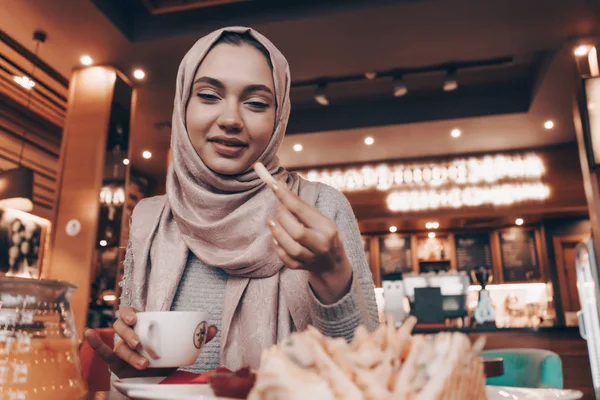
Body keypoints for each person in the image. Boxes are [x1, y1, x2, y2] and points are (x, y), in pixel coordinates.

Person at [85, 26, 379, 381]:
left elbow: (368, 372)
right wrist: (135, 369)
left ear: (278, 118)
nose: (230, 120)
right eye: (209, 95)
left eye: (256, 103)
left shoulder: (320, 209)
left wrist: (333, 275)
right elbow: (140, 357)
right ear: (182, 103)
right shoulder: (151, 218)